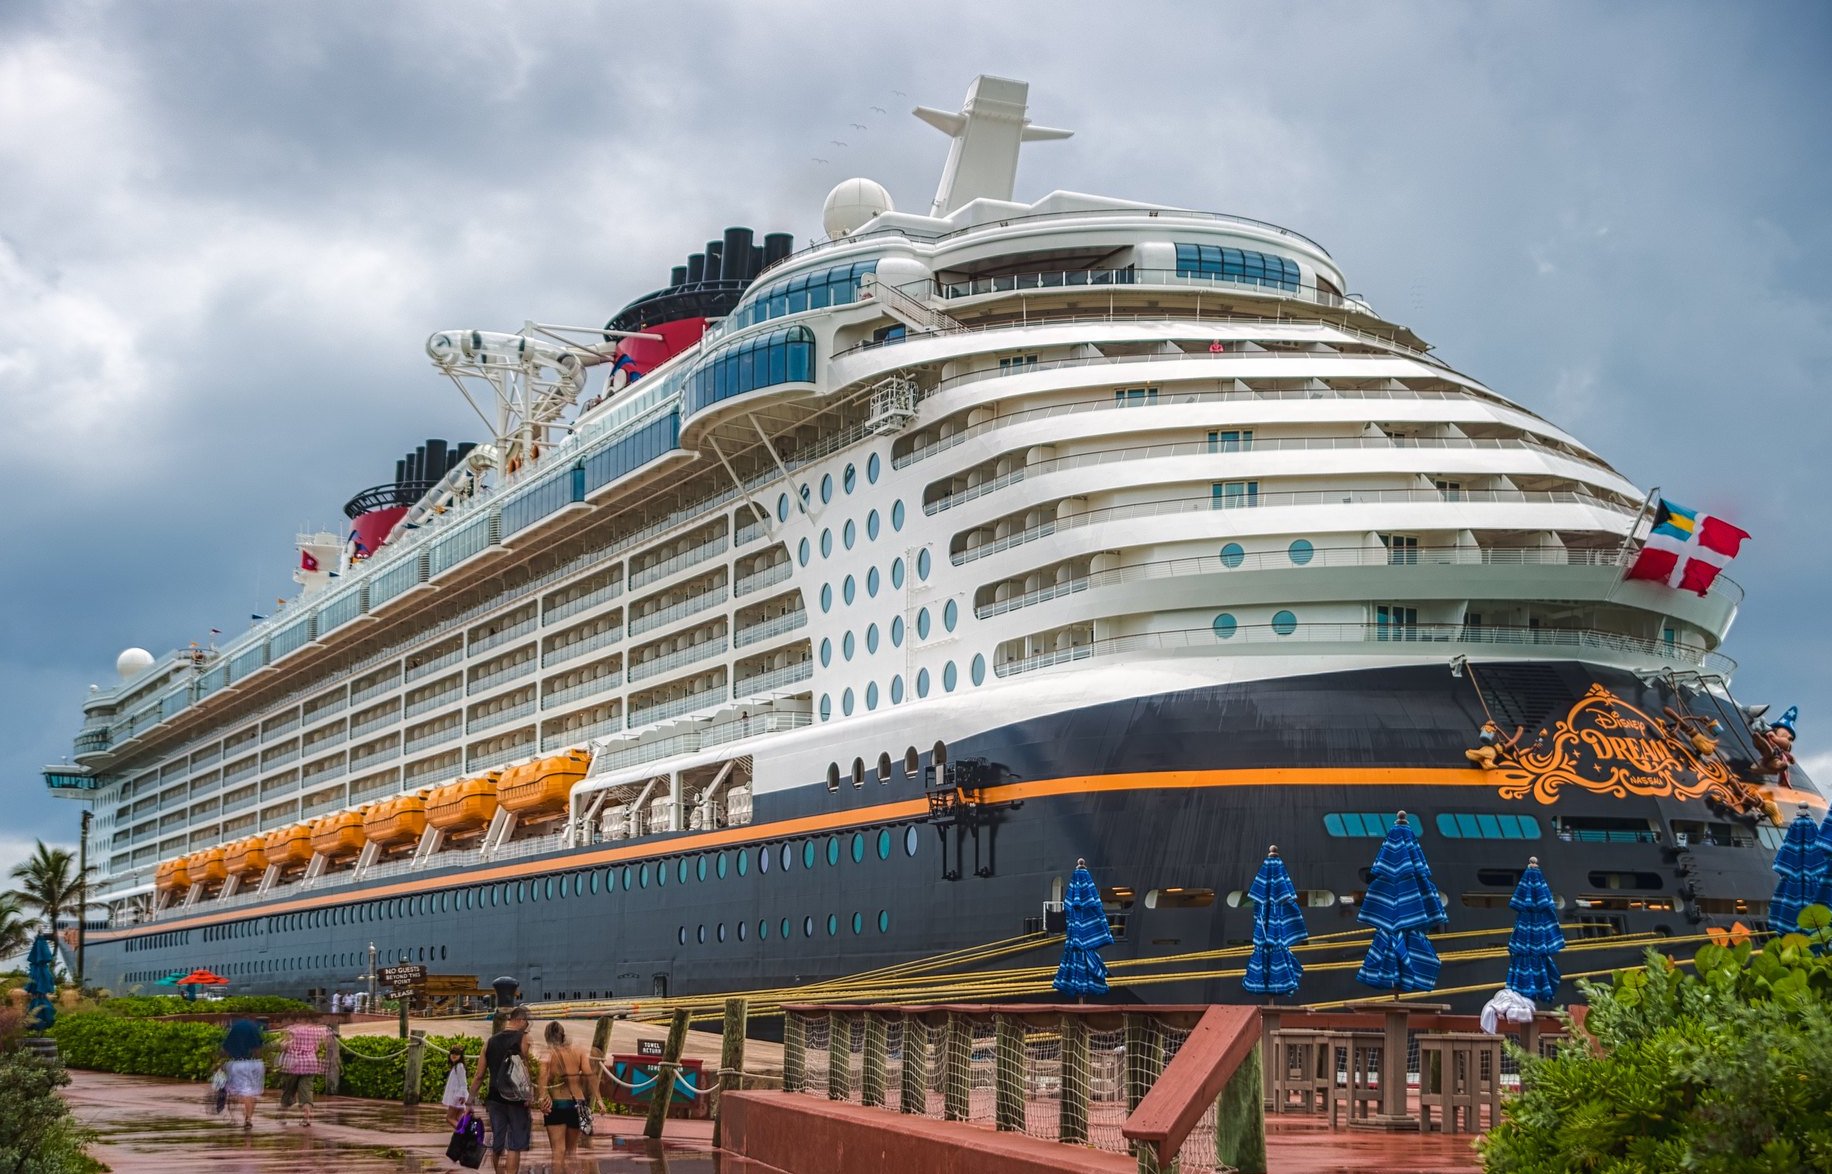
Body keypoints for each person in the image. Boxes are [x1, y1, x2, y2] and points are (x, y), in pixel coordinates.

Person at [469, 1006, 540, 1174]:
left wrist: (469, 1099)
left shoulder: (489, 1042)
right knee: (515, 1143)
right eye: (527, 1023)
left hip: (495, 1098)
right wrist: (531, 1093)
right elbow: (526, 1069)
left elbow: (479, 1075)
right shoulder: (524, 1039)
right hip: (516, 1097)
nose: (528, 1027)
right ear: (520, 1020)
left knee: (498, 1141)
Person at [540, 1022, 590, 1169]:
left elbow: (543, 1077)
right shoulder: (578, 1051)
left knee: (558, 1151)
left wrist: (542, 1096)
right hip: (578, 1103)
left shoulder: (547, 1053)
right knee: (571, 1152)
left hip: (557, 1103)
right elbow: (588, 1074)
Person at [276, 1018, 329, 1126]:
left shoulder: (291, 1030)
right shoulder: (314, 1031)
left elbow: (284, 1046)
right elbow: (317, 1048)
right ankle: (306, 1118)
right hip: (309, 1064)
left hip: (292, 1065)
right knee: (306, 1092)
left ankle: (282, 1116)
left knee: (288, 1091)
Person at [220, 1018, 267, 1130]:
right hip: (257, 1064)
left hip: (239, 1064)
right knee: (253, 1092)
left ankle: (240, 1117)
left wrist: (219, 1062)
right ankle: (248, 1117)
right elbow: (259, 1049)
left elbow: (225, 1050)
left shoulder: (234, 1031)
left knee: (244, 1092)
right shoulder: (254, 1030)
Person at [442, 1045, 471, 1129]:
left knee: (450, 1118)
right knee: (457, 1118)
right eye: (452, 1053)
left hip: (458, 1096)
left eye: (457, 1054)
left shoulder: (459, 1066)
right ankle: (462, 1133)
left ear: (460, 1056)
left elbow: (463, 1082)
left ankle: (464, 1132)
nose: (454, 1055)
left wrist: (462, 1095)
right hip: (459, 1095)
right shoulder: (456, 1066)